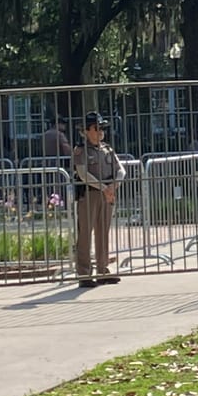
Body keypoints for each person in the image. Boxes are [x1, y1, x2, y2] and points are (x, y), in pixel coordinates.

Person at [72, 113, 124, 284]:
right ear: (86, 131)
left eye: (102, 128)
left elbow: (120, 169)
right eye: (96, 128)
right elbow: (82, 174)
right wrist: (104, 187)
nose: (100, 131)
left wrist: (113, 185)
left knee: (103, 232)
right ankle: (84, 273)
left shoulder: (107, 149)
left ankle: (103, 270)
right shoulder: (80, 150)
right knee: (85, 234)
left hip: (107, 194)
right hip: (89, 195)